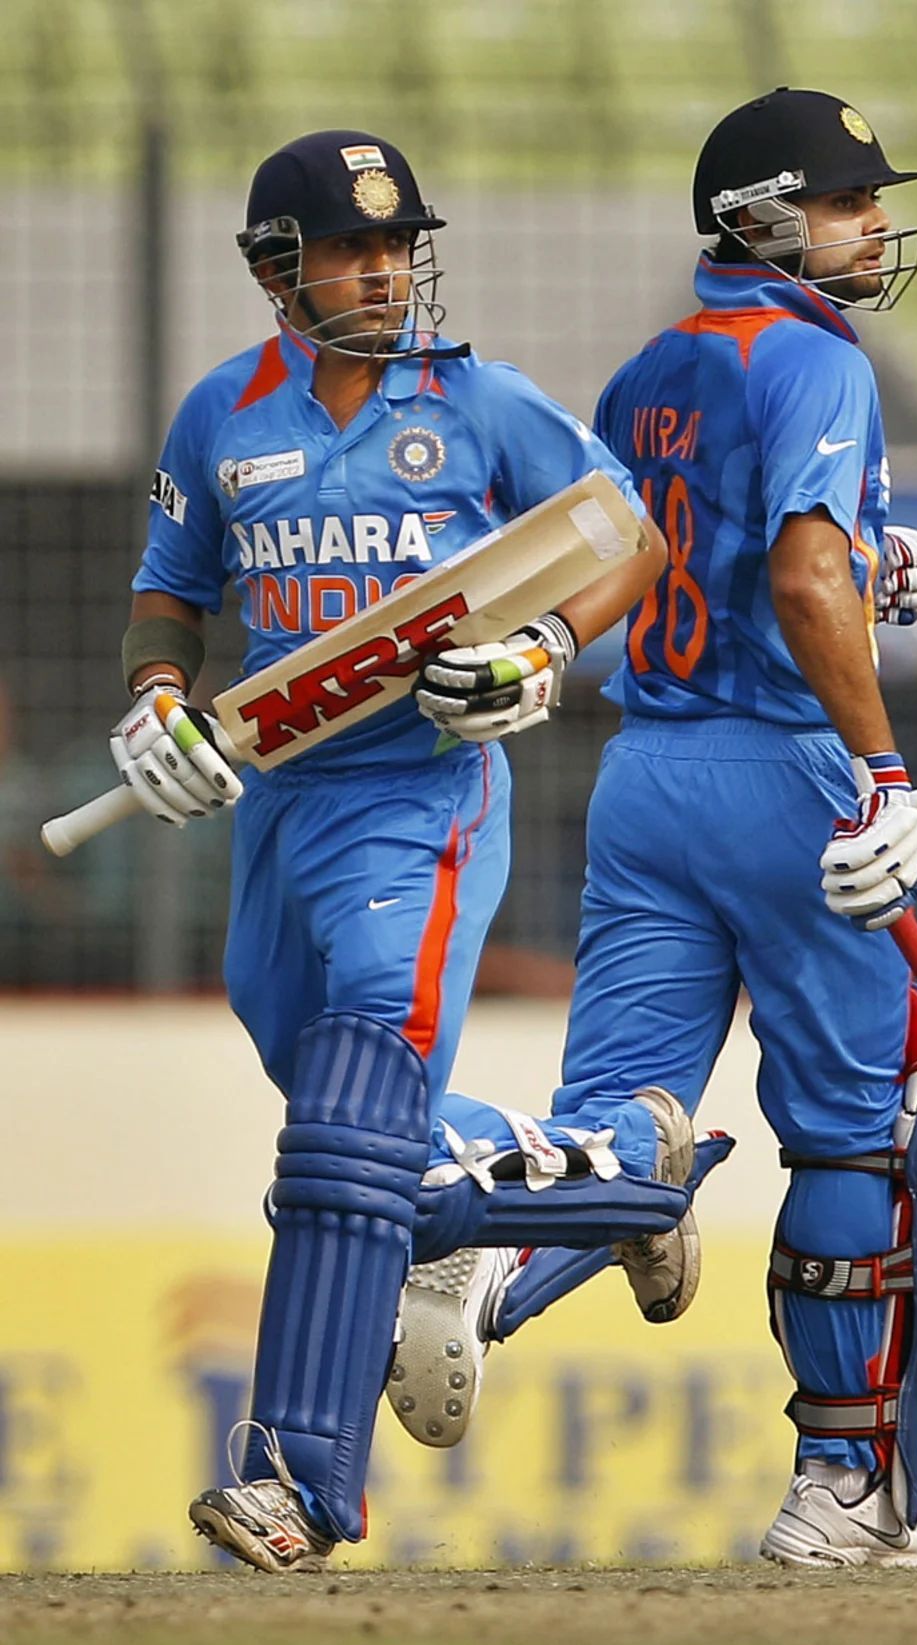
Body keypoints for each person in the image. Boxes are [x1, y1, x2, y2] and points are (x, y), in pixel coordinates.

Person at [107, 128, 685, 1573]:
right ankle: (622, 1168)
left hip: (424, 793)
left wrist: (543, 652)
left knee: (350, 1110)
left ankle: (297, 1480)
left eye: (397, 246)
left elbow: (630, 537)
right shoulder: (219, 418)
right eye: (350, 250)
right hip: (282, 799)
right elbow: (170, 596)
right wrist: (159, 706)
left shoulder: (478, 403)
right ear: (273, 270)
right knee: (330, 1089)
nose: (383, 272)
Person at [405, 88, 917, 1569]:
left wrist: (866, 557)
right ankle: (844, 1484)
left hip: (649, 775)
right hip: (786, 773)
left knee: (625, 1125)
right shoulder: (819, 363)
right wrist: (886, 770)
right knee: (864, 1135)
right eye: (846, 204)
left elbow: (676, 551)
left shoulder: (653, 366)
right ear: (762, 219)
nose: (874, 226)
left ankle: (481, 1246)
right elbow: (798, 583)